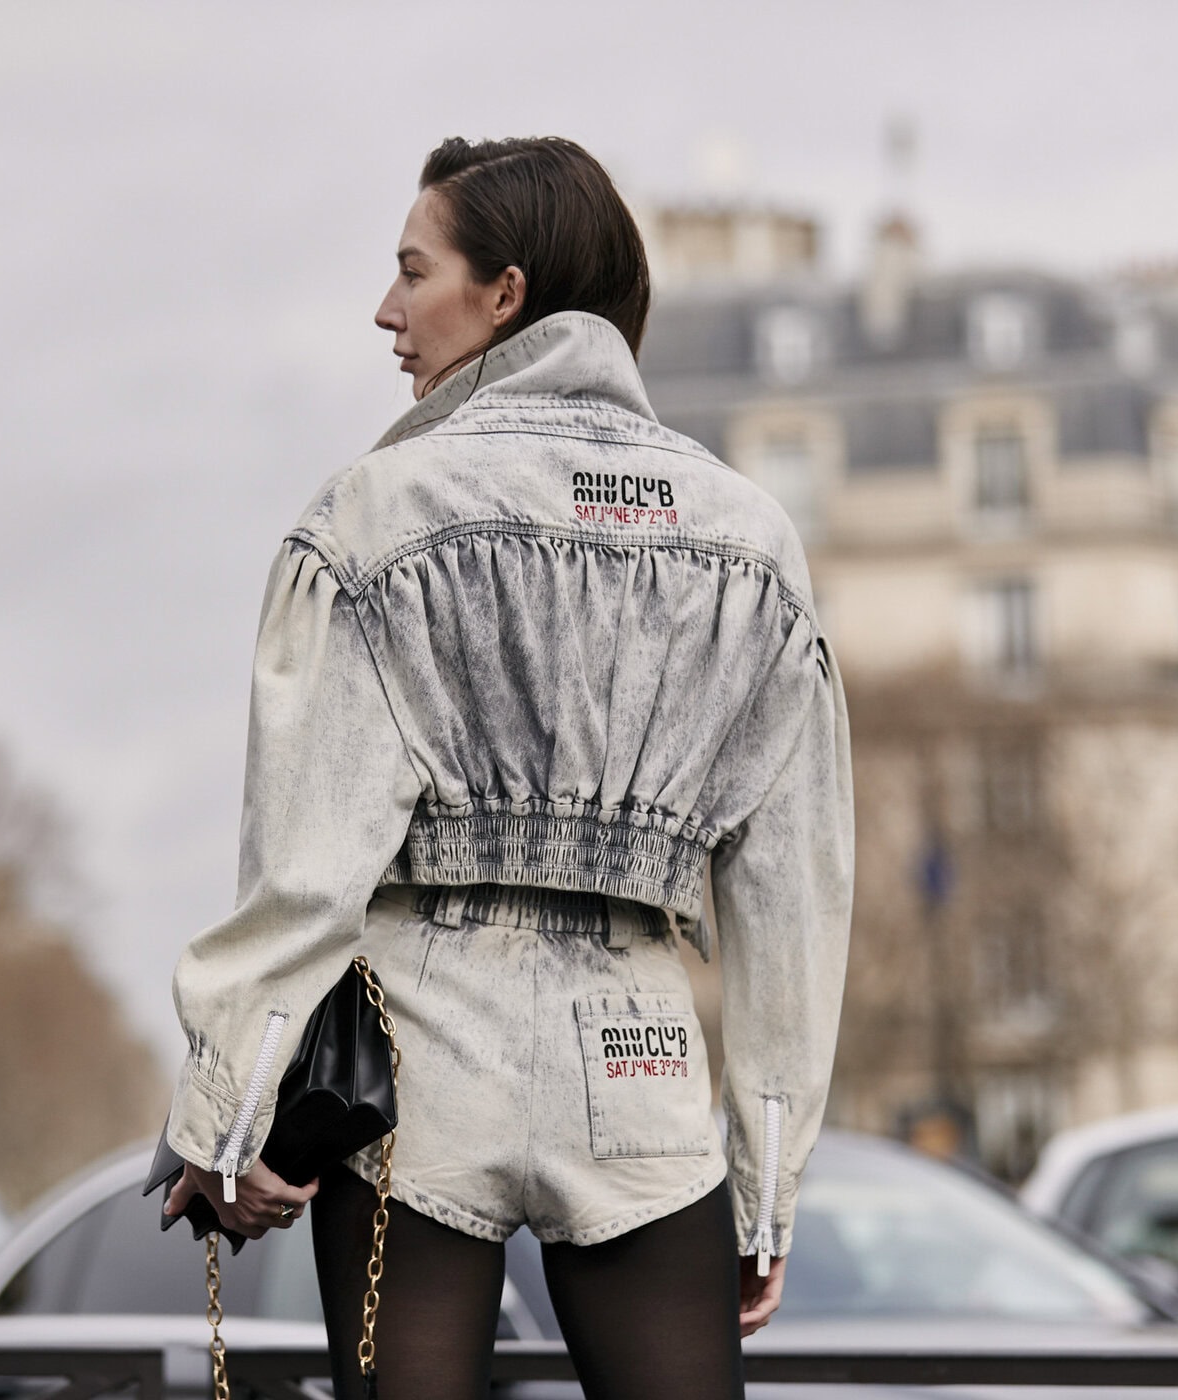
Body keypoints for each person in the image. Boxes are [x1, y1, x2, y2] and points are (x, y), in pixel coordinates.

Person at [163, 136, 853, 1400]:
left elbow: (308, 873)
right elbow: (791, 899)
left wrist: (224, 1116)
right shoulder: (753, 541)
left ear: (507, 294)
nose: (387, 310)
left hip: (422, 1066)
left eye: (413, 272)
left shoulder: (379, 512)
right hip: (641, 1048)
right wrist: (767, 1176)